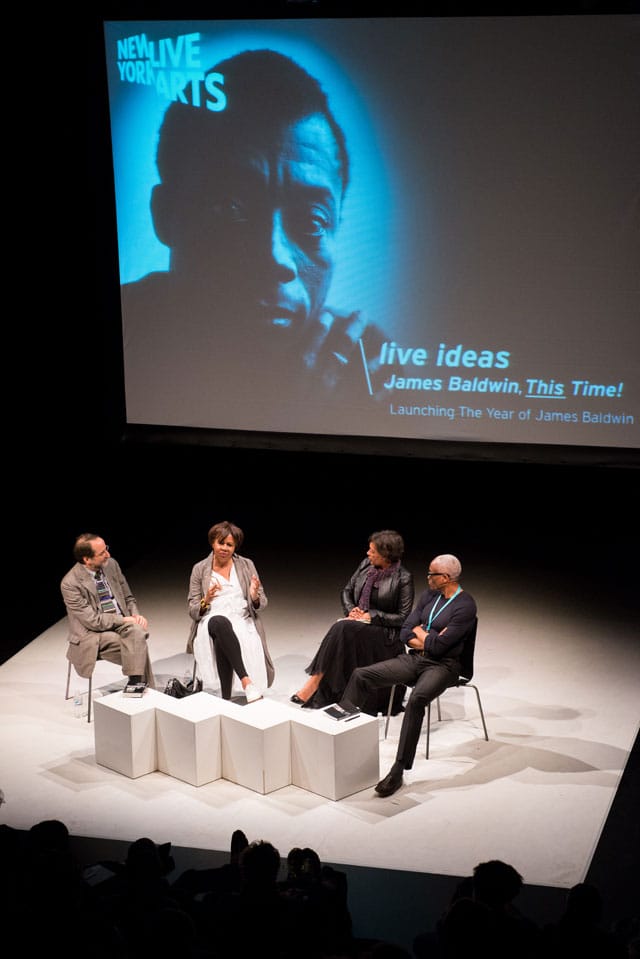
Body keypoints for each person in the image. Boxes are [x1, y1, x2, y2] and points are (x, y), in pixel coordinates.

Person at [121, 48, 388, 432]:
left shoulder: (368, 366)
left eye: (313, 222)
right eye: (230, 208)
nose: (274, 257)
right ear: (165, 215)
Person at [341, 553, 477, 797]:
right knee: (362, 675)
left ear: (445, 578)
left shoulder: (465, 605)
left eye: (431, 574)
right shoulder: (429, 596)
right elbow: (405, 630)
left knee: (416, 699)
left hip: (446, 666)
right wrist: (428, 637)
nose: (427, 578)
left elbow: (441, 648)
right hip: (416, 658)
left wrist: (423, 634)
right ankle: (340, 743)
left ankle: (398, 769)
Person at [290, 530, 414, 712]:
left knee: (341, 628)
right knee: (344, 628)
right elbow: (346, 591)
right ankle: (319, 682)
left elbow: (403, 617)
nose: (367, 553)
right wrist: (352, 611)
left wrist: (371, 616)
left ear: (386, 554)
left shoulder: (403, 578)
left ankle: (314, 682)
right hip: (357, 625)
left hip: (385, 634)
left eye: (372, 551)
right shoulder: (366, 565)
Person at [187, 520, 273, 703]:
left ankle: (225, 698)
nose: (224, 548)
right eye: (221, 543)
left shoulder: (246, 565)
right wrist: (206, 601)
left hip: (242, 618)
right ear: (212, 542)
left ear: (235, 547)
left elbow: (262, 602)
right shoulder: (200, 569)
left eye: (229, 545)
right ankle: (246, 681)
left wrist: (254, 596)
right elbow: (193, 610)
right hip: (211, 618)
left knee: (223, 635)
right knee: (220, 623)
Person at [60, 533, 155, 688]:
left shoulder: (111, 565)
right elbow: (93, 621)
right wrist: (124, 620)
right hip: (91, 633)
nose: (108, 555)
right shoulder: (70, 583)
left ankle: (136, 684)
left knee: (136, 634)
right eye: (102, 553)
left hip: (121, 622)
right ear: (87, 559)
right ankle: (143, 688)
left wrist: (136, 615)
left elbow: (128, 597)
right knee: (136, 643)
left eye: (106, 549)